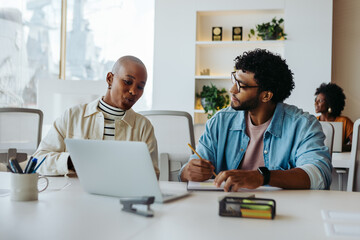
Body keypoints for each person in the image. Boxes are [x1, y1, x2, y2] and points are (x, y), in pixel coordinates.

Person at [180, 49, 332, 191]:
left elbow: (319, 175)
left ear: (266, 96)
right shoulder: (220, 122)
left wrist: (262, 176)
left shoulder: (302, 125)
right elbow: (190, 170)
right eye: (234, 80)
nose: (232, 90)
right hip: (226, 208)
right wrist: (188, 171)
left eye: (242, 85)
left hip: (282, 211)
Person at [33, 56, 159, 177]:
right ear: (110, 79)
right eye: (127, 82)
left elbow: (152, 176)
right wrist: (72, 161)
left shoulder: (144, 127)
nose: (133, 91)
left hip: (121, 197)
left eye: (140, 87)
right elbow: (38, 161)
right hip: (74, 195)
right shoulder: (72, 116)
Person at [314, 82, 353, 151]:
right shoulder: (314, 121)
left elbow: (356, 145)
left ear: (330, 103)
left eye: (320, 101)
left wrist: (339, 147)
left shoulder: (344, 121)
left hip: (339, 159)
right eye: (315, 100)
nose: (316, 104)